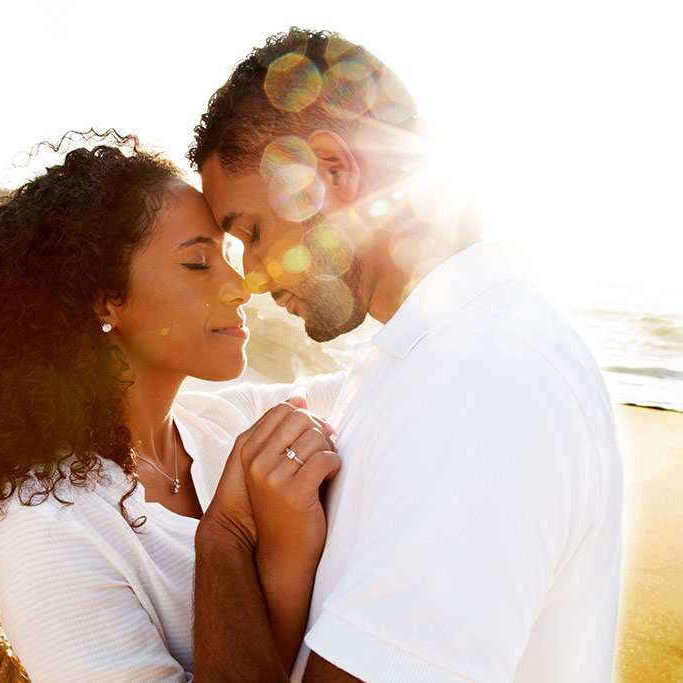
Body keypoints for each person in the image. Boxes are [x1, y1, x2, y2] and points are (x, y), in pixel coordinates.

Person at [190, 29, 623, 682]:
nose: (250, 274)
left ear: (332, 172)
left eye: (250, 232)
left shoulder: (483, 384)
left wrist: (223, 540)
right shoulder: (425, 360)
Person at [0, 134, 345, 681]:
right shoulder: (46, 528)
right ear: (105, 300)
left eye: (226, 255)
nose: (239, 286)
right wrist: (242, 543)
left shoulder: (228, 424)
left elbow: (394, 372)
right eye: (198, 263)